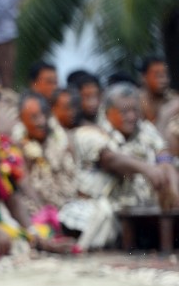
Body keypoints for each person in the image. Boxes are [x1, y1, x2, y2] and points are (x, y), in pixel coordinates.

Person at [70, 82, 179, 248]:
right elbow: (110, 160)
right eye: (124, 111)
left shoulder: (145, 129)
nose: (131, 116)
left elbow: (162, 154)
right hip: (108, 210)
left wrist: (168, 171)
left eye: (135, 110)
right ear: (108, 112)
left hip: (147, 209)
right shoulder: (91, 133)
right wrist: (147, 169)